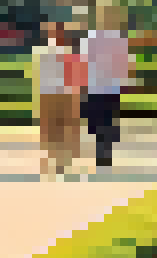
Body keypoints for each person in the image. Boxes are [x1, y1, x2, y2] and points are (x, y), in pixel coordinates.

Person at [79, 20, 133, 172]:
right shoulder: (92, 38)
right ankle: (104, 154)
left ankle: (104, 155)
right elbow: (85, 63)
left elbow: (123, 63)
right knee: (103, 123)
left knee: (104, 122)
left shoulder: (112, 39)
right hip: (101, 87)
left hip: (106, 87)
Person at [32, 21, 84, 179]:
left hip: (63, 93)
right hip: (52, 93)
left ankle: (61, 158)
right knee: (54, 127)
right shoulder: (45, 51)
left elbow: (75, 75)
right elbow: (39, 75)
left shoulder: (66, 52)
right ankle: (56, 158)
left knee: (63, 127)